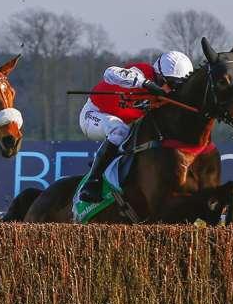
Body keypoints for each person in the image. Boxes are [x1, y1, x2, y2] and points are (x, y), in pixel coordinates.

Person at [77, 51, 194, 202]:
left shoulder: (169, 94)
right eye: (170, 83)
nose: (171, 90)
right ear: (158, 75)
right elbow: (109, 73)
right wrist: (145, 83)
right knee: (119, 130)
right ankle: (92, 182)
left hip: (126, 123)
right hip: (94, 114)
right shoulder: (142, 71)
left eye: (178, 86)